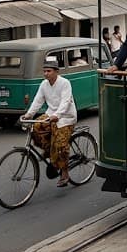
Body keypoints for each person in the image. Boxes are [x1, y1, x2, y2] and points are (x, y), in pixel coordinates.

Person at [23, 57, 77, 187]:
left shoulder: (65, 83)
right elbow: (38, 101)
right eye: (44, 71)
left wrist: (57, 115)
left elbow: (66, 101)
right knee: (36, 126)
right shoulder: (44, 84)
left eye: (48, 71)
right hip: (50, 114)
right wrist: (28, 114)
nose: (46, 73)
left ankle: (64, 173)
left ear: (56, 71)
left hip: (66, 117)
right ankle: (49, 151)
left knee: (60, 146)